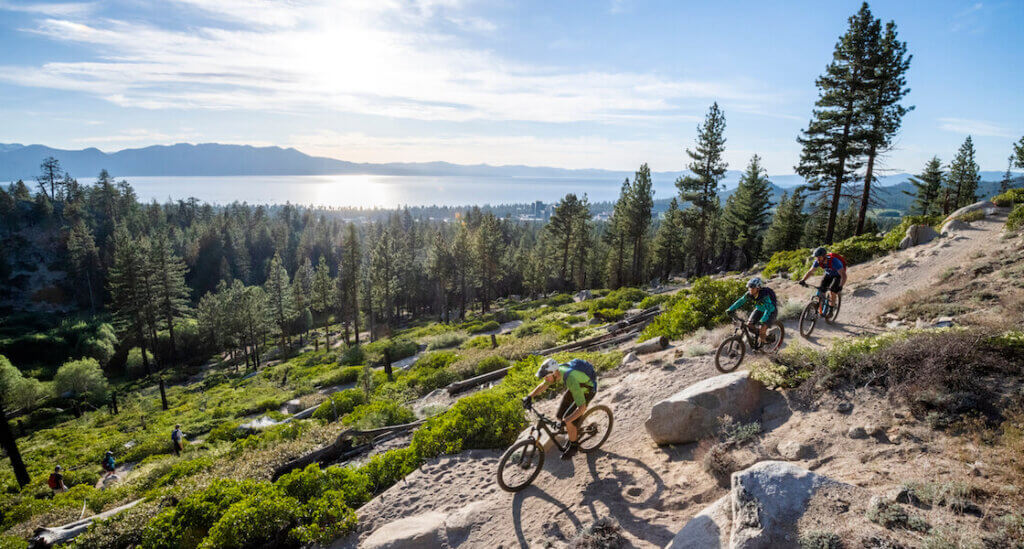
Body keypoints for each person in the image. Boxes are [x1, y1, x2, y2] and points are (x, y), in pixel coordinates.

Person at [522, 358, 598, 460]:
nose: (546, 379)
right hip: (576, 387)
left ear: (555, 373)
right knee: (560, 415)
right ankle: (573, 431)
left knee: (568, 420)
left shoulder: (570, 378)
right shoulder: (557, 372)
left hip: (587, 390)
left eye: (547, 377)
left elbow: (582, 407)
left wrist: (567, 421)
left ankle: (574, 446)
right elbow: (544, 385)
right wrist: (529, 396)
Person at [726, 277, 778, 347]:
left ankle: (768, 340)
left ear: (758, 288)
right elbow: (741, 301)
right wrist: (730, 309)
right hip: (759, 309)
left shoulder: (765, 295)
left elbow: (768, 309)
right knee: (749, 325)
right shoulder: (749, 294)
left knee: (762, 330)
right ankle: (757, 336)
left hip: (771, 311)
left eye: (753, 288)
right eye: (749, 288)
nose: (750, 289)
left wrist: (763, 320)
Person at [799, 247, 846, 311]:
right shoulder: (817, 262)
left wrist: (840, 286)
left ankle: (831, 309)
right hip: (828, 274)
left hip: (838, 276)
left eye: (819, 257)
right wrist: (803, 280)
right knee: (821, 289)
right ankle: (822, 306)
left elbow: (843, 275)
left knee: (833, 291)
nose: (817, 259)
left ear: (824, 256)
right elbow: (810, 271)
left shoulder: (834, 261)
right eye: (816, 257)